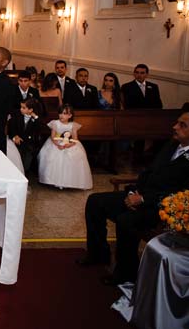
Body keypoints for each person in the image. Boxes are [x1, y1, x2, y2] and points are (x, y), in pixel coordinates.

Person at [77, 111, 189, 285]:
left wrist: (144, 200)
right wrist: (133, 192)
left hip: (162, 206)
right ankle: (99, 254)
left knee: (126, 220)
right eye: (177, 122)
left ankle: (126, 272)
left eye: (183, 125)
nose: (175, 127)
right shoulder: (171, 145)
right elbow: (148, 172)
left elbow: (182, 195)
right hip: (141, 194)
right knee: (95, 201)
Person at [37, 104, 92, 190]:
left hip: (69, 143)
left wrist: (70, 144)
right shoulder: (55, 123)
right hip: (56, 142)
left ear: (70, 116)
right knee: (52, 157)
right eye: (60, 113)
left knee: (74, 157)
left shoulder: (73, 125)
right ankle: (52, 180)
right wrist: (57, 144)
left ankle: (71, 181)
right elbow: (53, 137)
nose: (61, 115)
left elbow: (75, 138)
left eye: (65, 113)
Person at [8, 98, 43, 177]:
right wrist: (15, 136)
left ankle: (25, 173)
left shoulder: (36, 118)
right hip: (17, 142)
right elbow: (12, 128)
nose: (21, 109)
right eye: (21, 107)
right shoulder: (16, 115)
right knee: (17, 159)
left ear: (31, 110)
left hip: (29, 144)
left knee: (26, 163)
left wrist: (36, 118)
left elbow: (39, 129)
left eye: (24, 108)